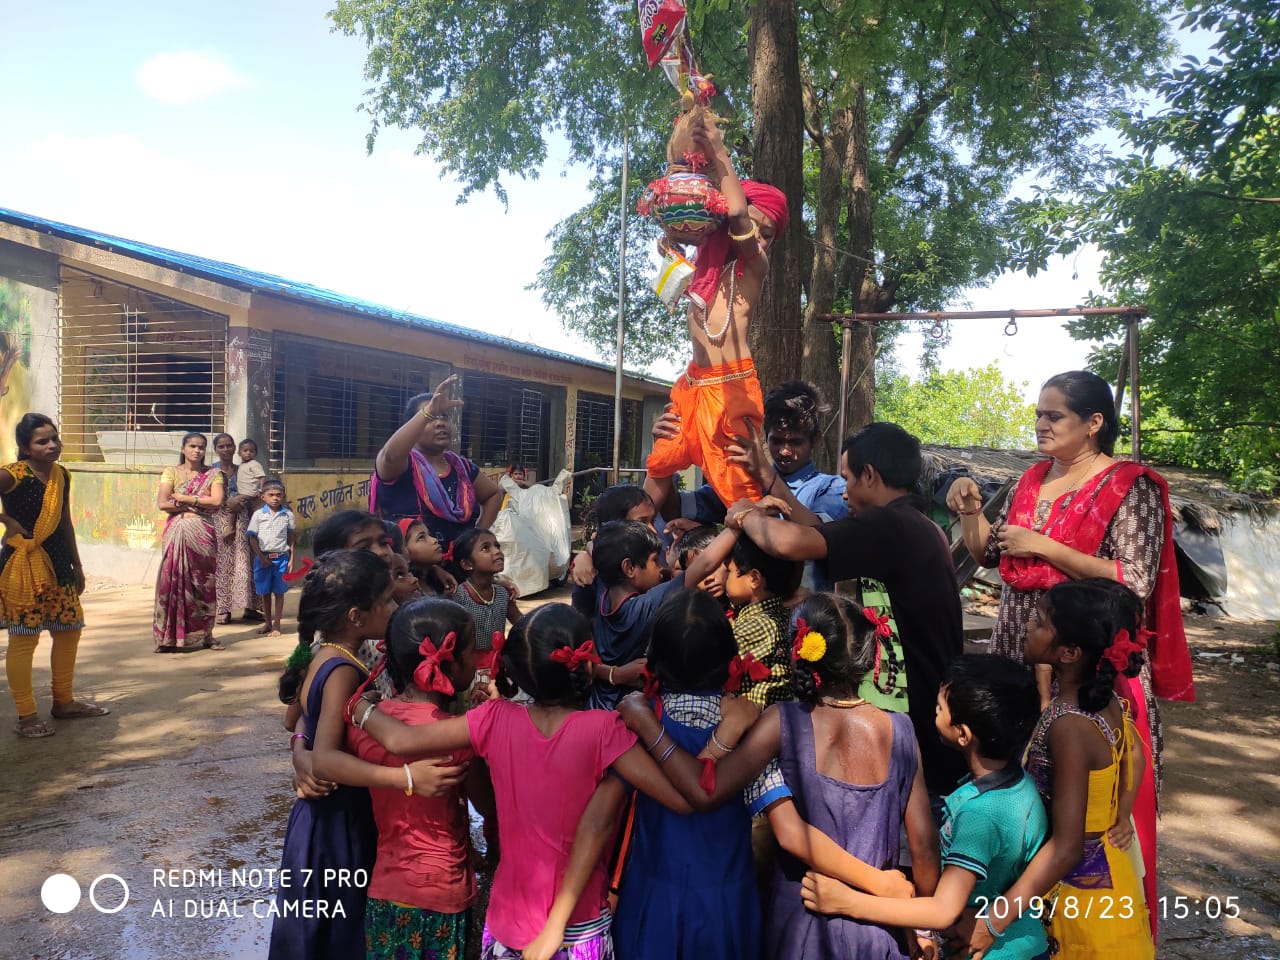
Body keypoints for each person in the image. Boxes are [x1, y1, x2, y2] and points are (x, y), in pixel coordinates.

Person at [945, 369, 1194, 921]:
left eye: (1053, 415)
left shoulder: (1132, 486)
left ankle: (1093, 930)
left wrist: (1044, 545)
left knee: (1086, 808)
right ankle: (1017, 925)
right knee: (1021, 790)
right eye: (1038, 413)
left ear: (1094, 423)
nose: (1040, 424)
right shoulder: (1031, 479)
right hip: (1020, 650)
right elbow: (991, 557)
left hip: (1088, 663)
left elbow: (1133, 580)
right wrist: (969, 513)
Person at [357, 603, 693, 960]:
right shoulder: (605, 731)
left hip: (506, 922)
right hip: (576, 927)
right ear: (587, 663)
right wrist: (648, 728)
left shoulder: (492, 719)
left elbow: (401, 740)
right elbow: (683, 798)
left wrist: (358, 709)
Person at [618, 591, 941, 959]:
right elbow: (924, 847)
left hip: (799, 927)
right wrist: (917, 917)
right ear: (870, 656)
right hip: (875, 927)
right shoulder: (900, 730)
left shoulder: (782, 723)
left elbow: (707, 793)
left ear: (798, 653)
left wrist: (649, 725)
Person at [726, 423, 967, 800]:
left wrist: (743, 515)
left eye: (847, 478)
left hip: (913, 719)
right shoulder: (915, 524)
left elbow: (791, 542)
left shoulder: (890, 525)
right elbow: (823, 532)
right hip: (926, 706)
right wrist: (768, 478)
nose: (843, 490)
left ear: (869, 475)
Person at [269, 550, 467, 960]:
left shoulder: (323, 655)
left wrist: (301, 747)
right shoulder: (342, 669)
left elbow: (296, 722)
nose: (395, 608)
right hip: (337, 817)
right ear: (358, 617)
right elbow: (325, 758)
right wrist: (406, 779)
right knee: (338, 930)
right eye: (388, 601)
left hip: (318, 818)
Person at [948, 579, 1155, 960]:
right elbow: (1136, 757)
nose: (1029, 625)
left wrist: (995, 920)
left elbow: (1067, 845)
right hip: (1109, 870)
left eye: (1041, 622)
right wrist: (1120, 813)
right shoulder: (1104, 701)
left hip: (1077, 893)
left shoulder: (1070, 726)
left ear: (1070, 652)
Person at [799, 655, 1049, 960]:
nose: (935, 710)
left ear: (963, 734)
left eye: (940, 708)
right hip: (1026, 942)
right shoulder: (1021, 785)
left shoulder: (980, 815)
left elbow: (943, 910)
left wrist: (846, 901)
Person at [643, 112, 790, 510]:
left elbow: (739, 214)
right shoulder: (704, 270)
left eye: (768, 232)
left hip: (732, 391)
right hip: (694, 385)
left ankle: (759, 568)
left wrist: (718, 152)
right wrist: (670, 237)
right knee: (656, 471)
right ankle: (630, 551)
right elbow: (696, 224)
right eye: (759, 226)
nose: (759, 236)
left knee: (744, 504)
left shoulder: (755, 266)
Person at [612, 590, 762, 960]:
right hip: (726, 899)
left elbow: (604, 815)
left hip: (653, 896)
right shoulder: (751, 727)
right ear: (730, 659)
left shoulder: (635, 722)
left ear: (655, 661)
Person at [347, 597, 497, 960]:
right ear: (451, 661)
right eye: (471, 650)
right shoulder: (458, 735)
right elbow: (487, 805)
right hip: (442, 889)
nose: (478, 658)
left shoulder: (368, 722)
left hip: (385, 886)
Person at [654, 380, 848, 593]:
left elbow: (820, 534)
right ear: (766, 437)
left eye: (795, 442)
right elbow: (674, 511)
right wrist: (665, 450)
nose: (784, 451)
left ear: (816, 440)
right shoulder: (743, 482)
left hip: (806, 617)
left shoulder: (832, 488)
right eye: (777, 441)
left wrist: (767, 477)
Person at [0, 414, 107, 738]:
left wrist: (77, 565)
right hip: (24, 565)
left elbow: (65, 523)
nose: (52, 445)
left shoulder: (62, 475)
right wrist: (6, 520)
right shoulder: (12, 475)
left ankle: (64, 702)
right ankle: (26, 716)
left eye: (54, 438)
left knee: (68, 630)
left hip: (59, 562)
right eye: (42, 441)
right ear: (25, 447)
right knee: (24, 638)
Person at [370, 374, 503, 566]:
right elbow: (389, 456)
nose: (440, 422)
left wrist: (475, 538)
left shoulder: (462, 468)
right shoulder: (401, 464)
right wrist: (429, 410)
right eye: (431, 417)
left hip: (459, 568)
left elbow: (494, 494)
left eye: (444, 417)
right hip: (412, 571)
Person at [153, 432, 227, 652]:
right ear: (183, 448)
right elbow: (163, 503)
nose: (197, 450)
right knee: (172, 583)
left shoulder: (214, 474)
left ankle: (207, 635)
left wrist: (185, 499)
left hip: (203, 534)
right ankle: (168, 639)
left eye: (201, 447)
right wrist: (196, 504)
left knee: (203, 583)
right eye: (193, 446)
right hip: (176, 531)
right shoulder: (171, 472)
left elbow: (216, 502)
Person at [451, 527, 522, 659]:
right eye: (486, 548)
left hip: (498, 662)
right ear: (467, 564)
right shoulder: (460, 595)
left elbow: (521, 623)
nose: (497, 552)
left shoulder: (502, 593)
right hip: (470, 664)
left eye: (497, 546)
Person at [212, 433, 257, 625]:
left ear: (234, 448)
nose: (226, 449)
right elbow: (205, 493)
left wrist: (242, 502)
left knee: (246, 562)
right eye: (221, 446)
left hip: (244, 519)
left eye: (229, 445)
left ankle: (251, 607)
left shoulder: (244, 469)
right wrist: (227, 502)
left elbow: (255, 491)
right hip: (219, 519)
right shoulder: (211, 471)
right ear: (216, 449)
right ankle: (224, 609)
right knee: (223, 564)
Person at [248, 480, 297, 637]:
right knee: (265, 592)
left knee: (279, 592)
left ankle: (277, 624)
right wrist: (261, 557)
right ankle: (267, 622)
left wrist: (291, 559)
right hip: (263, 559)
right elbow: (252, 538)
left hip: (281, 559)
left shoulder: (288, 515)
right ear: (263, 497)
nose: (275, 498)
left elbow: (291, 538)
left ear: (283, 496)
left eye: (278, 495)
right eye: (271, 495)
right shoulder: (258, 515)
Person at [399, 517, 446, 596]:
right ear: (405, 551)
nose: (434, 540)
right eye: (421, 537)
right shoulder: (408, 593)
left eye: (429, 535)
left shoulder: (439, 580)